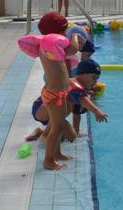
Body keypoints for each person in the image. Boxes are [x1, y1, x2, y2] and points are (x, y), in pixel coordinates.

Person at [38, 11, 85, 170]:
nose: (66, 34)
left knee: (57, 126)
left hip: (59, 92)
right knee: (56, 128)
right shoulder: (50, 44)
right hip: (54, 93)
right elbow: (73, 49)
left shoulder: (50, 45)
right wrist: (75, 33)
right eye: (64, 31)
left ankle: (57, 154)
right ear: (59, 32)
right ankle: (48, 161)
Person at [25, 59, 108, 142]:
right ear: (82, 74)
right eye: (94, 77)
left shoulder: (80, 92)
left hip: (53, 114)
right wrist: (97, 111)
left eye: (97, 78)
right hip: (41, 107)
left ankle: (40, 132)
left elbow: (77, 114)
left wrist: (76, 133)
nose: (96, 81)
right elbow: (83, 100)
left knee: (70, 136)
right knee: (64, 109)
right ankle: (45, 135)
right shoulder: (73, 84)